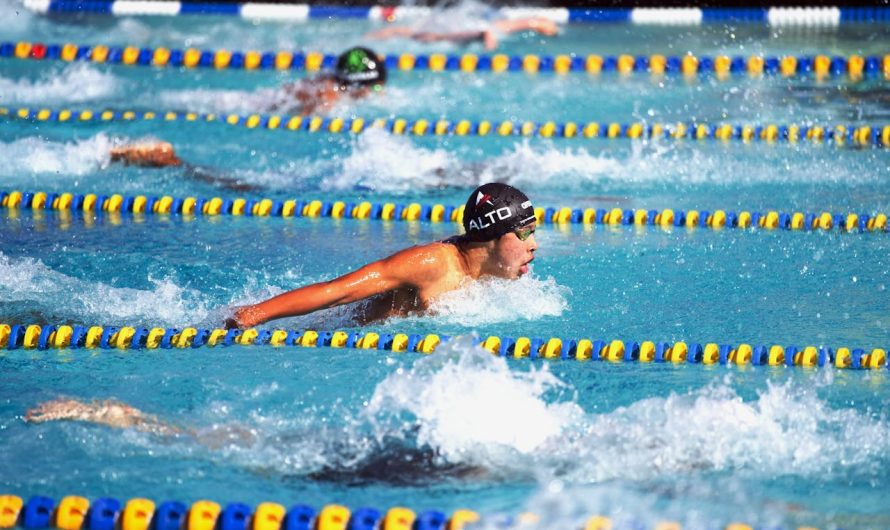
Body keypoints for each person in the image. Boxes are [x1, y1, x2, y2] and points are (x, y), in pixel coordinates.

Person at [227, 182, 538, 328]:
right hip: (337, 334)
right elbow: (338, 291)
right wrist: (254, 315)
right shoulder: (432, 264)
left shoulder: (491, 274)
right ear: (490, 236)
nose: (533, 245)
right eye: (524, 233)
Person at [273, 46, 387, 115]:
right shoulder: (328, 95)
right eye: (374, 88)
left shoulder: (336, 83)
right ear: (356, 85)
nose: (378, 92)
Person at [366, 16, 559, 51]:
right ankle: (378, 35)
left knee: (416, 34)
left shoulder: (520, 24)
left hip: (473, 30)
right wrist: (489, 45)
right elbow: (486, 33)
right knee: (431, 36)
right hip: (473, 31)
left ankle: (376, 35)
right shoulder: (513, 25)